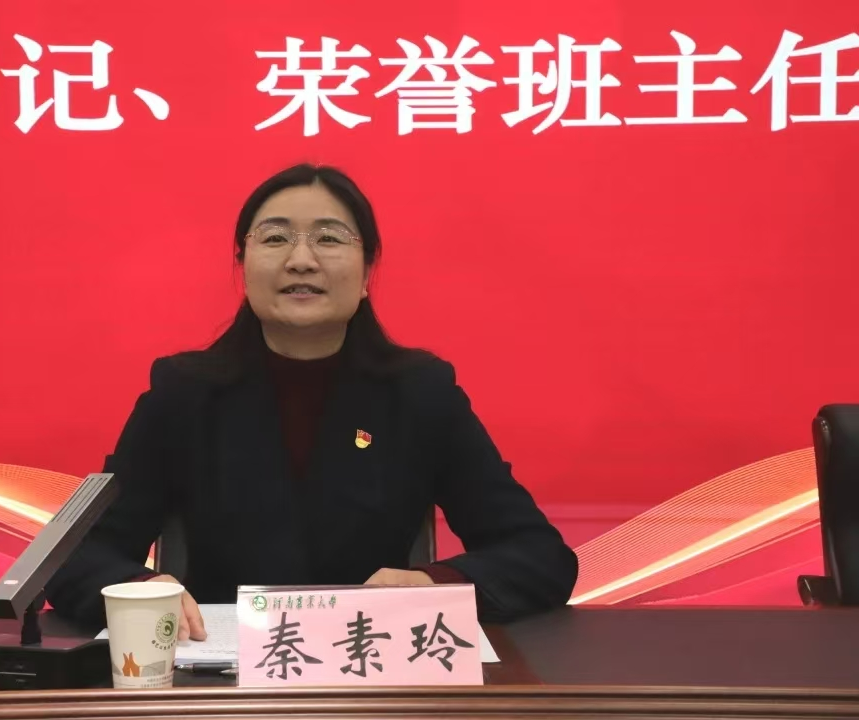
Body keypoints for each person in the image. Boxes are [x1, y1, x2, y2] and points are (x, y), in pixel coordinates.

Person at [45, 164, 578, 637]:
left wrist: (434, 583)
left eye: (329, 238)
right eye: (275, 239)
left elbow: (539, 556)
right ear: (243, 266)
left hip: (375, 673)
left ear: (367, 272)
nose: (301, 260)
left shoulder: (421, 393)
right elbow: (75, 557)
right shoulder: (183, 393)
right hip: (221, 684)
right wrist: (139, 588)